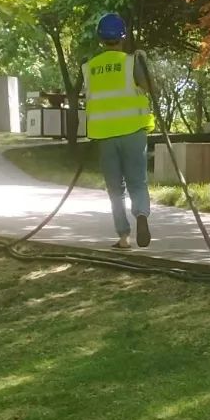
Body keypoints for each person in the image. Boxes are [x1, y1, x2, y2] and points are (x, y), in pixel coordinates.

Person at [81, 13, 156, 250]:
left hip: (104, 135)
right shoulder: (131, 62)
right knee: (137, 182)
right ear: (123, 37)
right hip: (133, 132)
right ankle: (141, 215)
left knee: (115, 188)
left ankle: (123, 237)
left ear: (100, 39)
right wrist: (143, 63)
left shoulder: (90, 67)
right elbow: (151, 88)